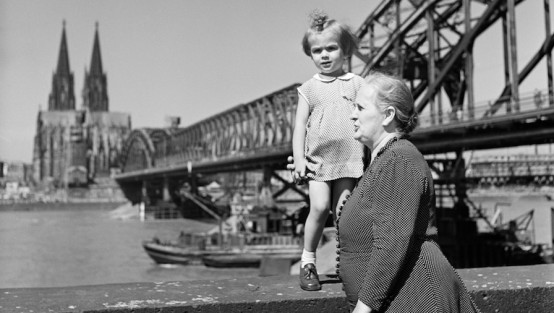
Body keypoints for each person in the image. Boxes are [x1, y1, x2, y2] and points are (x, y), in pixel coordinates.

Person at [335, 71, 480, 312]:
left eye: (360, 107)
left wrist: (364, 308)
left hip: (418, 299)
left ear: (388, 115)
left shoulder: (398, 159)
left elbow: (392, 241)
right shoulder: (382, 160)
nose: (352, 115)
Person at [292, 10, 365, 291]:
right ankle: (308, 260)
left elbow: (367, 115)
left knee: (343, 213)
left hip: (348, 160)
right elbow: (299, 126)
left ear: (345, 50)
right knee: (320, 207)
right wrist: (299, 158)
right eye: (317, 50)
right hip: (318, 161)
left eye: (331, 48)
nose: (324, 55)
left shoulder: (357, 84)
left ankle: (347, 265)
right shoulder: (308, 89)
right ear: (310, 55)